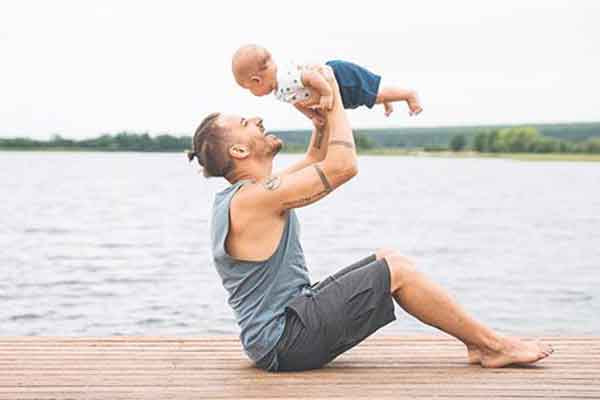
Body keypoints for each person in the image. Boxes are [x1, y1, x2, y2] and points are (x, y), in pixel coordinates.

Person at [186, 73, 553, 372]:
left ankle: (481, 344)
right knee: (396, 270)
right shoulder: (254, 199)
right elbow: (342, 166)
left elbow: (318, 156)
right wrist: (332, 94)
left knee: (387, 258)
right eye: (245, 123)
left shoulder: (251, 194)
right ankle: (492, 346)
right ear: (238, 151)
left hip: (282, 331)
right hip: (285, 340)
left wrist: (319, 120)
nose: (258, 119)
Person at [231, 44, 422, 126]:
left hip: (337, 78)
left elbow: (311, 77)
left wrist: (327, 94)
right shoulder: (279, 90)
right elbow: (297, 102)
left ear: (257, 81)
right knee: (369, 96)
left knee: (374, 94)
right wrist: (312, 116)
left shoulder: (284, 78)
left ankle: (409, 95)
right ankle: (385, 98)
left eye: (249, 89)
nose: (252, 93)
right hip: (333, 84)